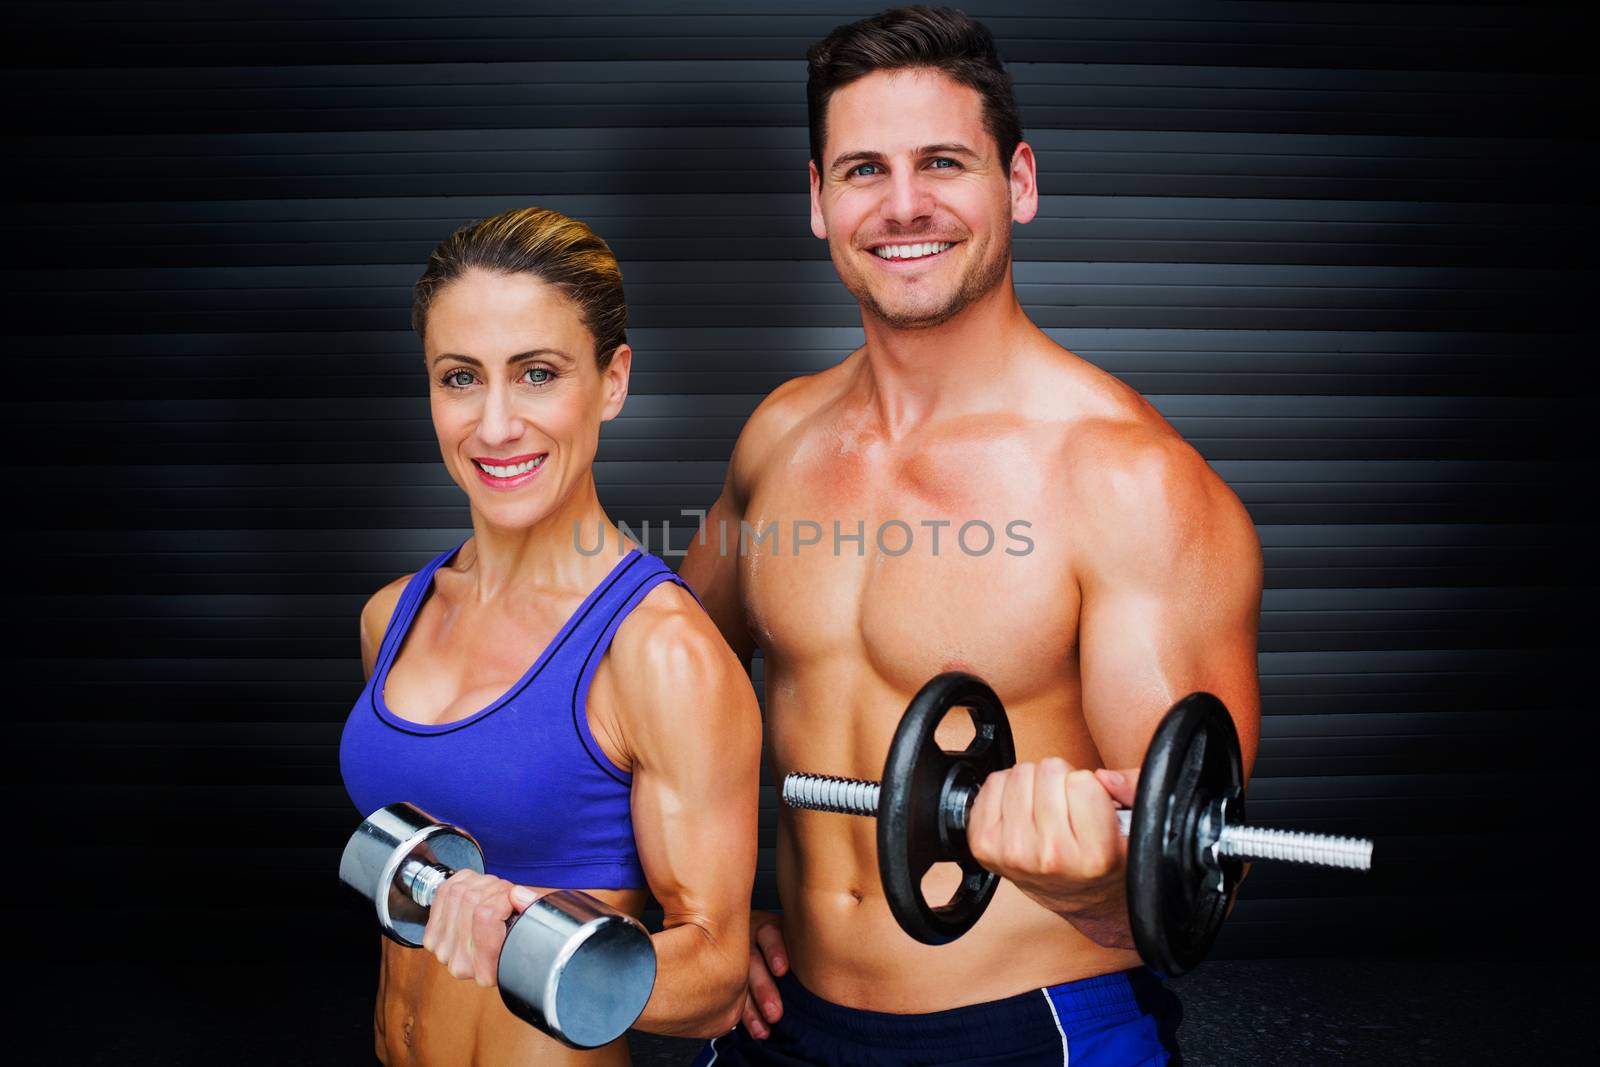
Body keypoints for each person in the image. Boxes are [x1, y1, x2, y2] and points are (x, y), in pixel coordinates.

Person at [680, 8, 1262, 1065]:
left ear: (1019, 182)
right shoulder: (776, 436)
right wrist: (703, 912)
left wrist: (1089, 871)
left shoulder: (1129, 482)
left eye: (942, 161)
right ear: (818, 200)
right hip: (781, 1017)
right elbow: (668, 687)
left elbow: (1200, 868)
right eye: (862, 170)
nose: (903, 205)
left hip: (1025, 1024)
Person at [338, 207, 760, 1067]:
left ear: (612, 380)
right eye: (461, 377)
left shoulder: (658, 652)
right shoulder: (392, 617)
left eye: (537, 373)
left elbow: (716, 974)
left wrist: (523, 939)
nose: (494, 425)